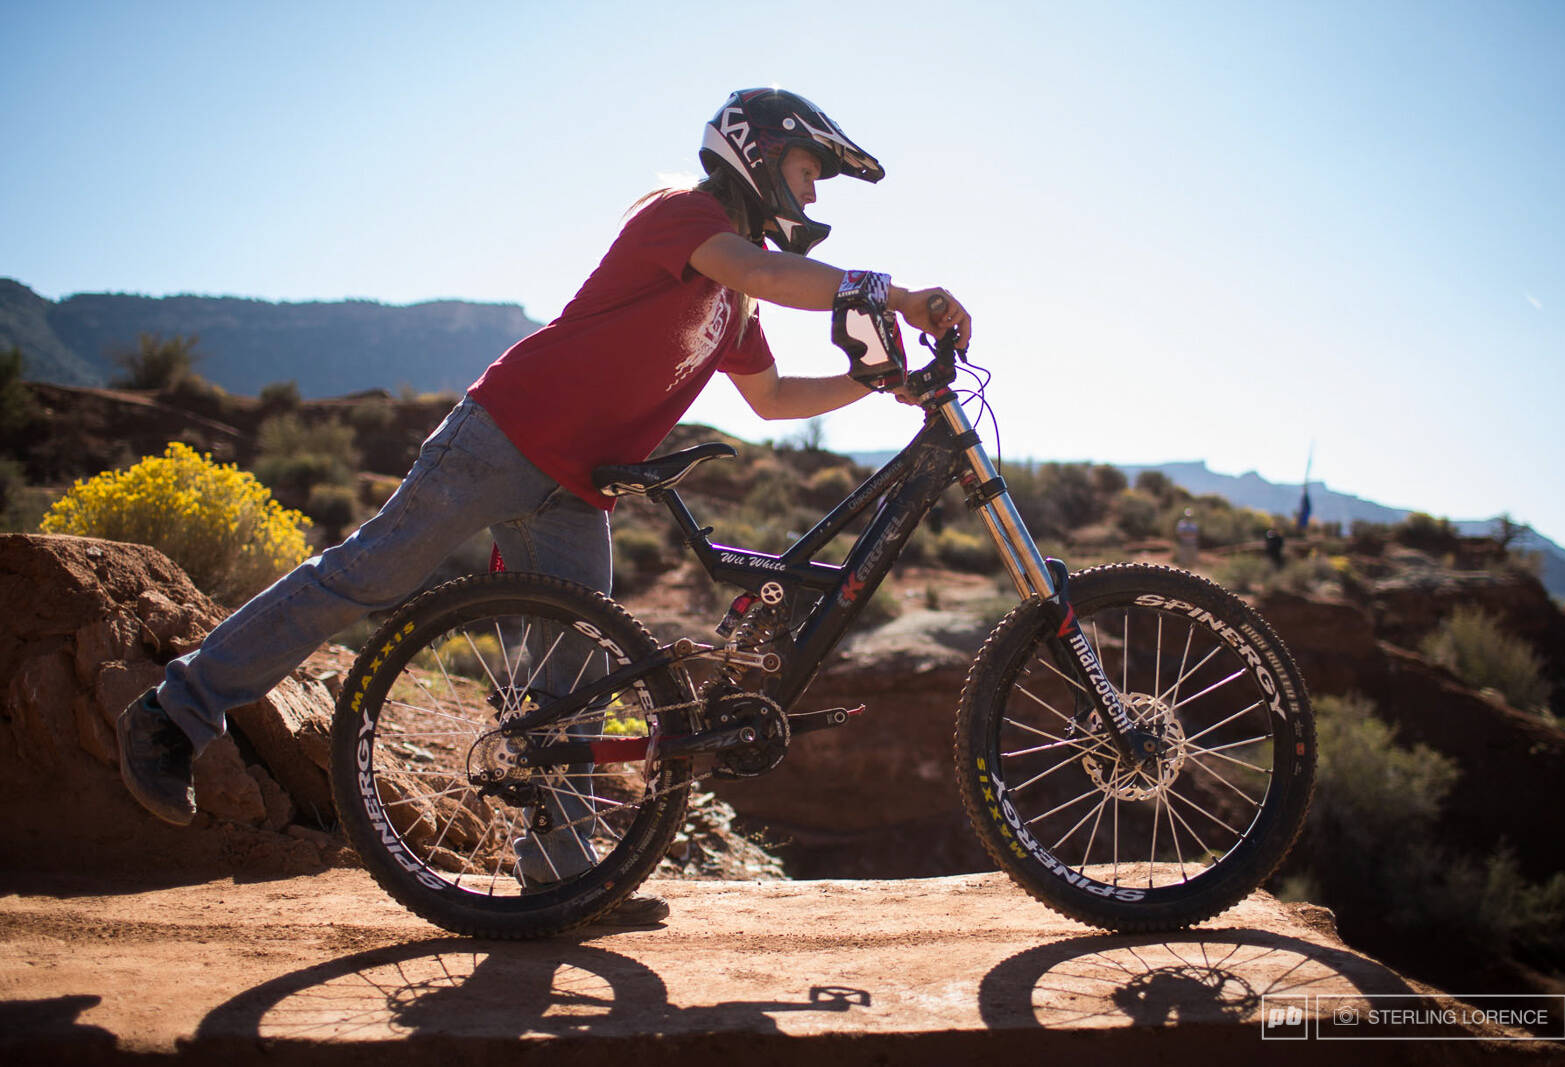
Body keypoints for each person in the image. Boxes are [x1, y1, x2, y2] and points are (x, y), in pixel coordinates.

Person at [114, 88, 971, 925]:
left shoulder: (734, 303)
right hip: (503, 434)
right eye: (808, 170)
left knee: (576, 680)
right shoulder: (684, 216)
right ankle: (172, 713)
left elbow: (774, 398)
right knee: (364, 577)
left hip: (579, 486)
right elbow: (766, 271)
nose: (813, 195)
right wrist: (897, 296)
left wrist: (874, 382)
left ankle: (562, 878)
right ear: (757, 155)